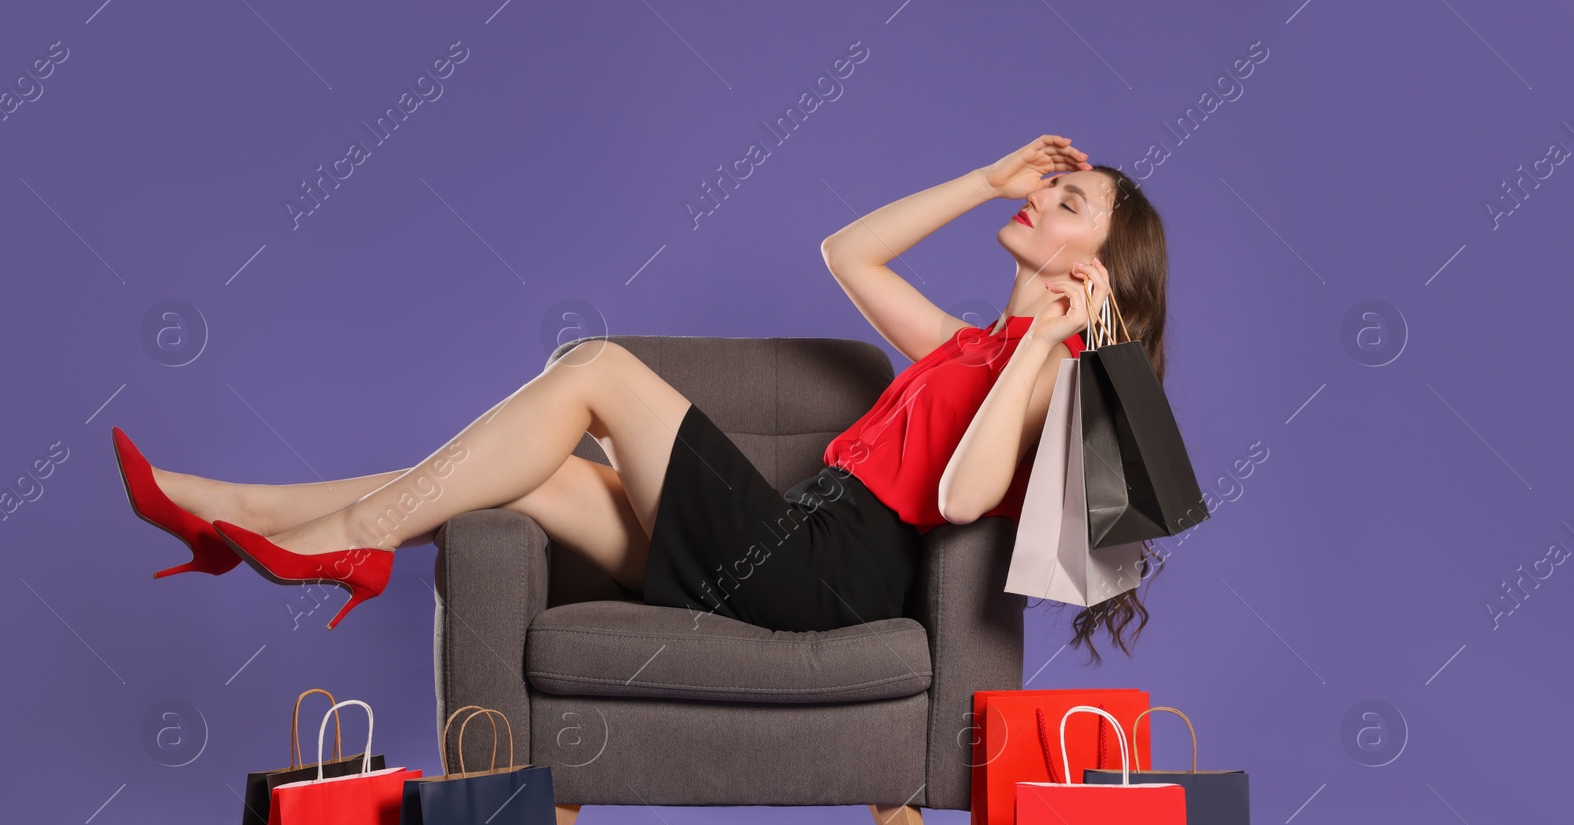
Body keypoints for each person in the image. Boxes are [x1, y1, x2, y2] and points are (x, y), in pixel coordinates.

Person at [112, 134, 1169, 661]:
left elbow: (957, 495)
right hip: (790, 537)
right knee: (543, 478)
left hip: (827, 575)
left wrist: (1046, 343)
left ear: (1100, 264)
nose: (1039, 196)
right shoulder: (965, 344)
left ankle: (350, 537)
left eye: (1062, 200)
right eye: (1043, 184)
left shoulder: (1049, 375)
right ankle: (239, 513)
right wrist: (981, 181)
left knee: (598, 369)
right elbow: (846, 253)